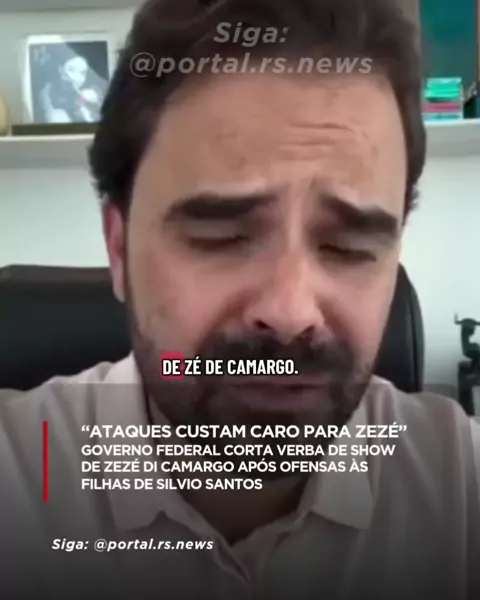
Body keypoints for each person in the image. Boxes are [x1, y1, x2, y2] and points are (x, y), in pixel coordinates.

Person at [1, 0, 479, 598]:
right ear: (118, 249)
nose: (290, 312)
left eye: (350, 247)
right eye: (221, 237)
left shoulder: (460, 486)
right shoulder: (18, 479)